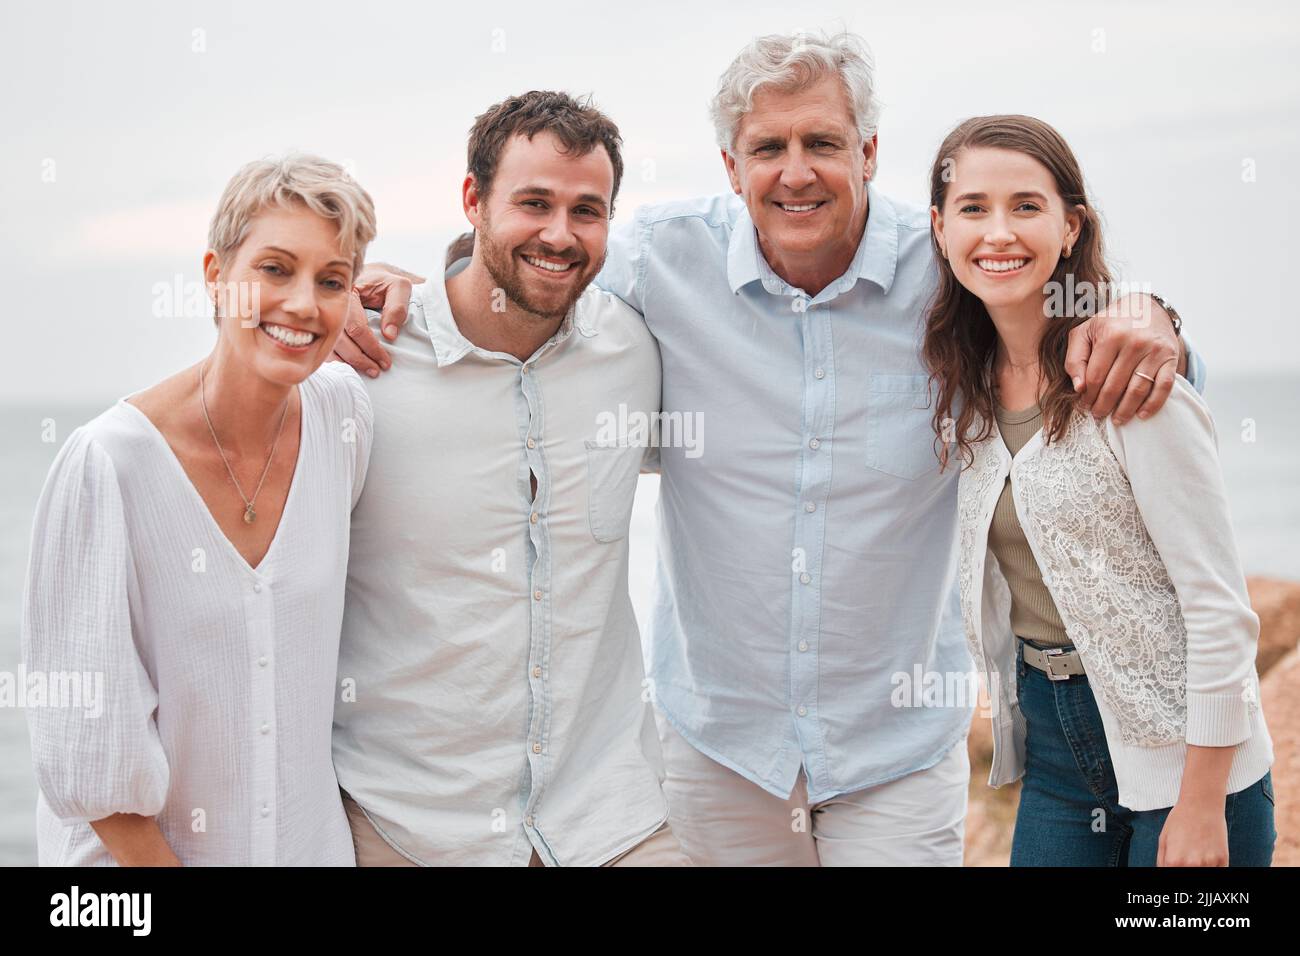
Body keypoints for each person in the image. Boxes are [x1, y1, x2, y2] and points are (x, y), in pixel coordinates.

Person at [341, 31, 1202, 866]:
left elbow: (1069, 314)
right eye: (768, 147)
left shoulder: (948, 265)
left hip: (893, 751)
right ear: (731, 167)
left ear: (868, 152)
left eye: (822, 142)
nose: (796, 171)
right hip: (719, 748)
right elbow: (536, 267)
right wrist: (405, 286)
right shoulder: (660, 260)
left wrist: (1156, 316)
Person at [330, 91, 690, 866]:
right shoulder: (361, 368)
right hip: (409, 823)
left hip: (607, 819)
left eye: (587, 211)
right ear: (473, 200)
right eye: (533, 203)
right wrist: (320, 300)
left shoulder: (634, 349)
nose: (560, 235)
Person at [925, 114, 1274, 866]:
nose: (999, 233)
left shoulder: (1131, 384)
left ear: (1072, 226)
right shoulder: (967, 398)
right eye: (973, 208)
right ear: (939, 227)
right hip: (1055, 756)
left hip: (1188, 759)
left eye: (1026, 206)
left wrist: (1203, 802)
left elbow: (1219, 607)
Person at [22, 154, 377, 865]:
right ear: (216, 276)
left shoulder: (345, 420)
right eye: (275, 269)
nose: (304, 304)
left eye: (330, 280)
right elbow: (92, 765)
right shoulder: (109, 465)